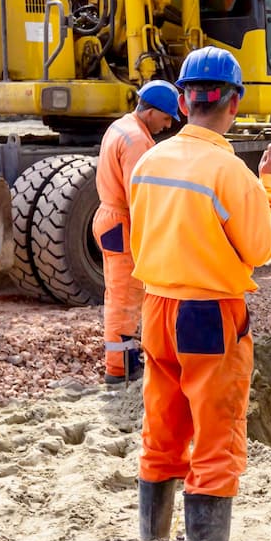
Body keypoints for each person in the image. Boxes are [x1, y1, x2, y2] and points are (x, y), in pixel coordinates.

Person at [127, 47, 271, 541]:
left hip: (156, 309)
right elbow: (262, 247)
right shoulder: (229, 172)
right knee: (216, 442)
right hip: (209, 316)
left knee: (162, 430)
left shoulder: (148, 162)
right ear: (234, 104)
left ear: (181, 100)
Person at [91, 80, 182, 384]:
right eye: (166, 118)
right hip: (123, 221)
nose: (167, 125)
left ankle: (126, 359)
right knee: (125, 296)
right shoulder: (138, 142)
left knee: (120, 293)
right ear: (152, 111)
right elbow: (140, 196)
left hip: (109, 216)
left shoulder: (121, 126)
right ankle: (120, 369)